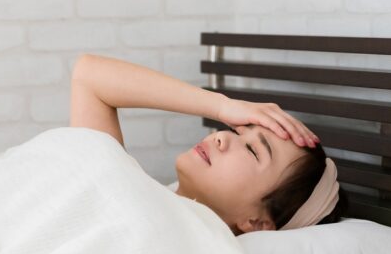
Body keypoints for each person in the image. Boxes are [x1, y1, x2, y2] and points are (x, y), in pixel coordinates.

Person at [70, 53, 349, 236]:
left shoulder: (173, 240)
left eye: (252, 150)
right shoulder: (132, 197)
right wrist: (223, 106)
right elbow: (88, 75)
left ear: (257, 222)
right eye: (238, 131)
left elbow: (89, 76)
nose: (221, 137)